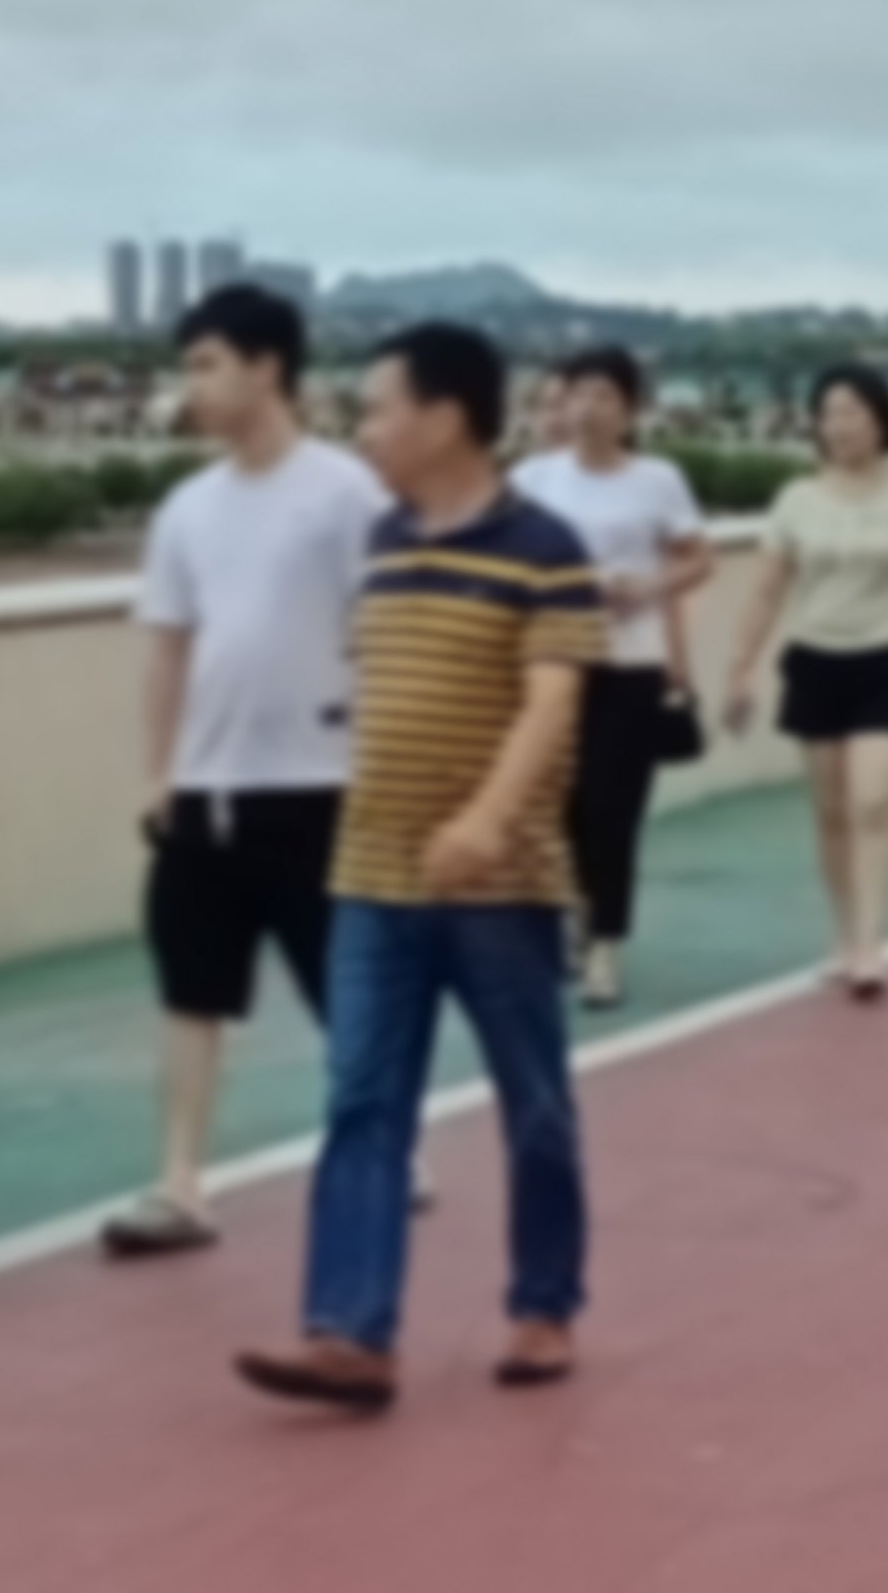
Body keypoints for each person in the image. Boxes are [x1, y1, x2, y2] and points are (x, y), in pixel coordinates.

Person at [236, 323, 603, 1414]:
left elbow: (553, 703)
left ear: (444, 417)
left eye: (378, 408)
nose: (365, 430)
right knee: (362, 1100)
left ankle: (544, 1303)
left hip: (501, 883)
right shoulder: (383, 543)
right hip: (372, 875)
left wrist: (486, 819)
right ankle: (351, 1333)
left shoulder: (545, 547)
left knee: (534, 1103)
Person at [102, 284, 389, 1257]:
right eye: (188, 366)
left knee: (345, 987)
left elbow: (383, 631)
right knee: (191, 989)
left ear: (267, 368)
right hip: (207, 793)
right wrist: (158, 773)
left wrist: (378, 760)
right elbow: (168, 646)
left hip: (321, 786)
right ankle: (179, 1183)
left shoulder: (345, 492)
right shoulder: (188, 508)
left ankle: (387, 1146)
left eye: (207, 363)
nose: (192, 384)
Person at [720, 366, 888, 998]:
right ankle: (844, 932)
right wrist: (740, 666)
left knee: (875, 801)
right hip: (816, 660)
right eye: (829, 413)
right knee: (832, 812)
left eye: (853, 412)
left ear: (881, 420)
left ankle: (871, 944)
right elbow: (766, 589)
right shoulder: (796, 500)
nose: (840, 426)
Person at [510, 346, 712, 1010]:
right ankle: (575, 909)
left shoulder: (657, 480)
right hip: (553, 662)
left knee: (612, 808)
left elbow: (698, 559)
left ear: (629, 409)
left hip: (630, 663)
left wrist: (646, 587)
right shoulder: (534, 479)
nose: (588, 409)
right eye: (578, 395)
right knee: (561, 804)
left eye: (604, 396)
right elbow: (509, 562)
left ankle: (605, 945)